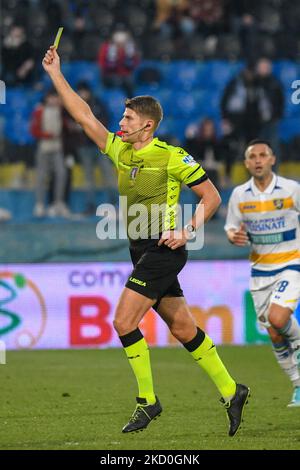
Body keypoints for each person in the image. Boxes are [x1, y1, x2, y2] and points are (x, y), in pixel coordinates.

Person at [42, 44, 250, 435]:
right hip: (139, 249)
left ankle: (148, 401)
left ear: (147, 125)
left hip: (164, 248)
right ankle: (232, 389)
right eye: (122, 116)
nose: (120, 122)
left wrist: (186, 230)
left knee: (123, 321)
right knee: (184, 328)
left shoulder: (172, 156)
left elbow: (212, 197)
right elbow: (83, 115)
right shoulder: (119, 149)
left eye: (128, 117)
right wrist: (56, 74)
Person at [225, 139, 300, 407]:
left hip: (291, 263)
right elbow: (231, 227)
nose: (257, 160)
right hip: (260, 271)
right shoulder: (239, 195)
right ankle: (297, 385)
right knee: (275, 333)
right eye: (252, 156)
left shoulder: (291, 190)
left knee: (278, 317)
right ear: (246, 164)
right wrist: (234, 236)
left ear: (272, 159)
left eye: (262, 155)